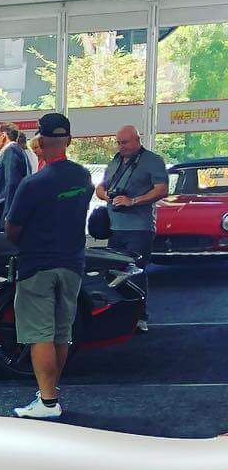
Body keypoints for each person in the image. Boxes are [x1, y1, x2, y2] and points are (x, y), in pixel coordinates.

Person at [4, 112, 93, 420]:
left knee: (38, 334)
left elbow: (12, 229)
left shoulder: (33, 184)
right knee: (61, 332)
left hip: (38, 265)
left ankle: (48, 401)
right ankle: (50, 394)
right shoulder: (84, 178)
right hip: (72, 263)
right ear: (69, 139)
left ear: (39, 141)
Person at [94, 124, 167, 329]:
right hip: (115, 227)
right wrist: (107, 196)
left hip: (139, 228)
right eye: (118, 142)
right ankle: (120, 315)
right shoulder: (115, 161)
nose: (121, 146)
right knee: (114, 272)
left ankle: (140, 317)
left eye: (124, 142)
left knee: (136, 272)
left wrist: (133, 201)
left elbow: (162, 190)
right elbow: (101, 187)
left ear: (137, 140)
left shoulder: (152, 161)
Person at [0, 124, 30, 228]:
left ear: (3, 135)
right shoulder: (19, 151)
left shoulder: (10, 151)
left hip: (6, 211)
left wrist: (8, 214)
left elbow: (12, 183)